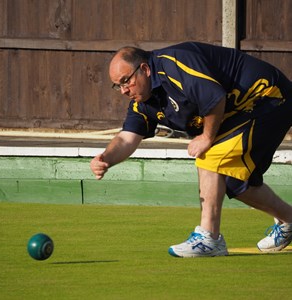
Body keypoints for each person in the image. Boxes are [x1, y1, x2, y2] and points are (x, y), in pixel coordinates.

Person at [90, 42, 292, 257]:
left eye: (125, 81)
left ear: (145, 70)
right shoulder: (143, 101)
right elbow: (127, 137)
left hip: (267, 97)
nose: (123, 91)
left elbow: (214, 97)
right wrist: (106, 158)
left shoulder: (174, 65)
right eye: (117, 86)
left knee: (210, 155)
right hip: (238, 113)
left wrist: (206, 137)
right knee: (235, 183)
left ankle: (209, 238)